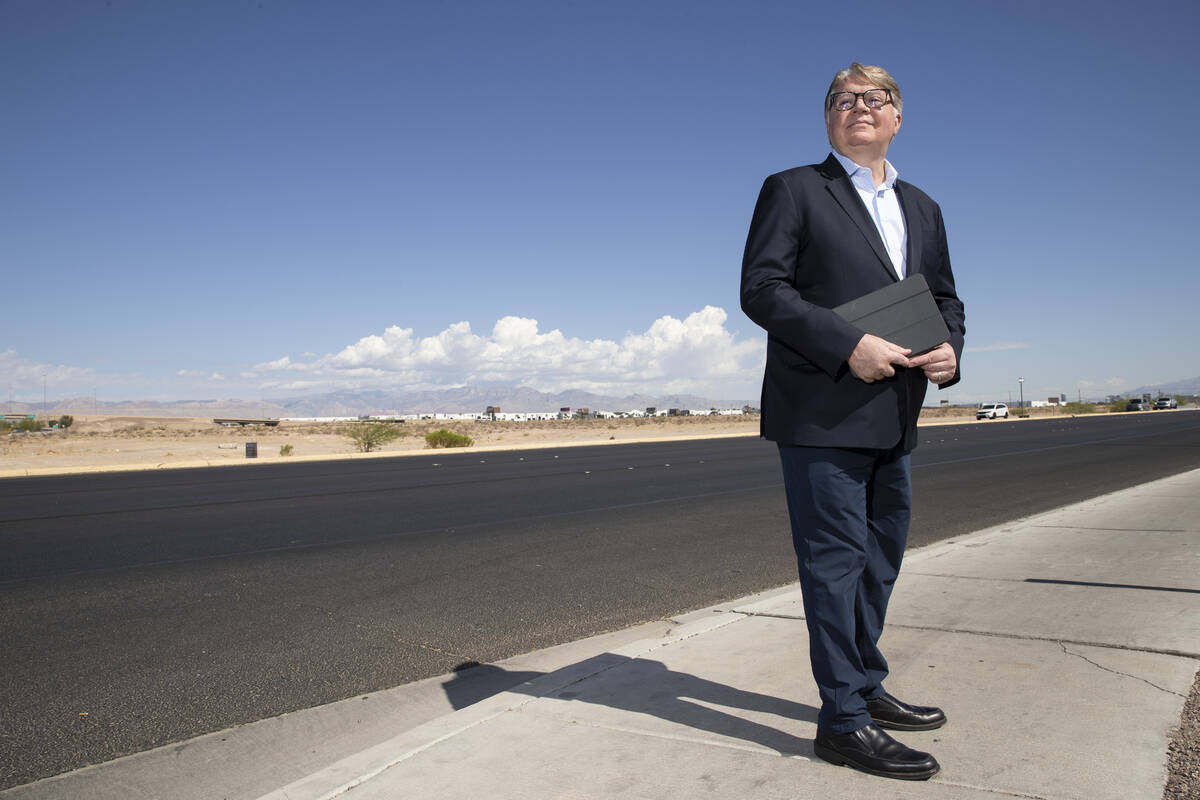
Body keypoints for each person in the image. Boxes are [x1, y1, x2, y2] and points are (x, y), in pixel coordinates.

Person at [739, 62, 965, 781]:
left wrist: (951, 349)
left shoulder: (922, 206)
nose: (858, 107)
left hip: (896, 415)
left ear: (898, 117)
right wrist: (849, 344)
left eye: (875, 98)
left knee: (879, 561)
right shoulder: (795, 189)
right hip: (822, 413)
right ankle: (841, 722)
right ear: (828, 118)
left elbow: (947, 299)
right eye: (842, 99)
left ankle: (864, 685)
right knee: (834, 567)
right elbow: (762, 289)